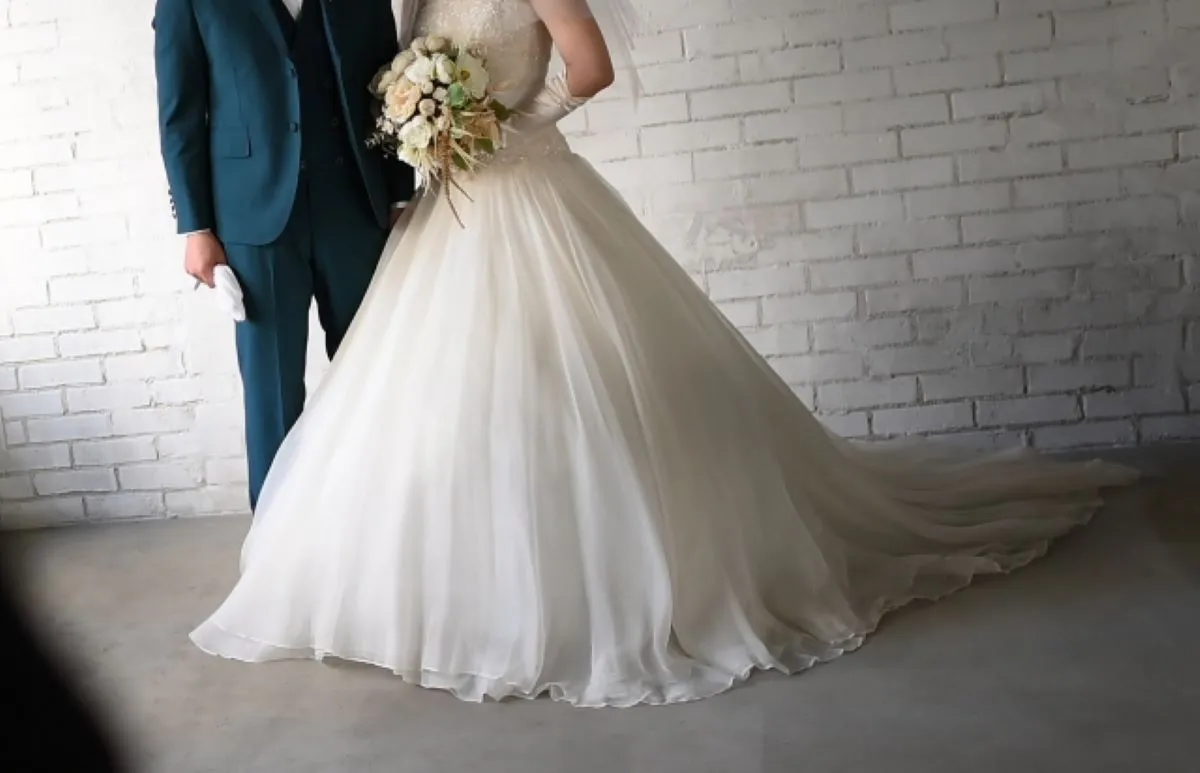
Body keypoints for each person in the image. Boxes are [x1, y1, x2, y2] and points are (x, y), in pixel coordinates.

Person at [189, 0, 1139, 707]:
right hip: (448, 208)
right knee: (450, 397)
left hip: (520, 185)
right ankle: (439, 579)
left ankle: (592, 579)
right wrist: (428, 134)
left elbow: (588, 66)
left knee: (576, 383)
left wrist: (497, 128)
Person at [152, 0, 418, 510]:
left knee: (375, 375)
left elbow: (390, 80)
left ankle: (382, 519)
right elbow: (180, 113)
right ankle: (274, 543)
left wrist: (400, 192)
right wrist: (196, 227)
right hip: (253, 222)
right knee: (271, 394)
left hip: (356, 210)